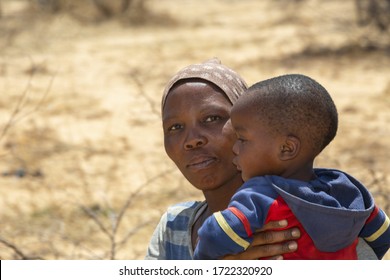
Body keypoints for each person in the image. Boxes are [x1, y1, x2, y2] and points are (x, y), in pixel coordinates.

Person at [145, 58, 377, 260]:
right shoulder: (173, 225)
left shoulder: (318, 215)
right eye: (175, 127)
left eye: (212, 118)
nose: (192, 139)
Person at [193, 74, 390, 260]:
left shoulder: (260, 195)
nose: (235, 148)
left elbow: (215, 235)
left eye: (242, 139)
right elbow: (383, 234)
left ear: (287, 148)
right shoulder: (344, 188)